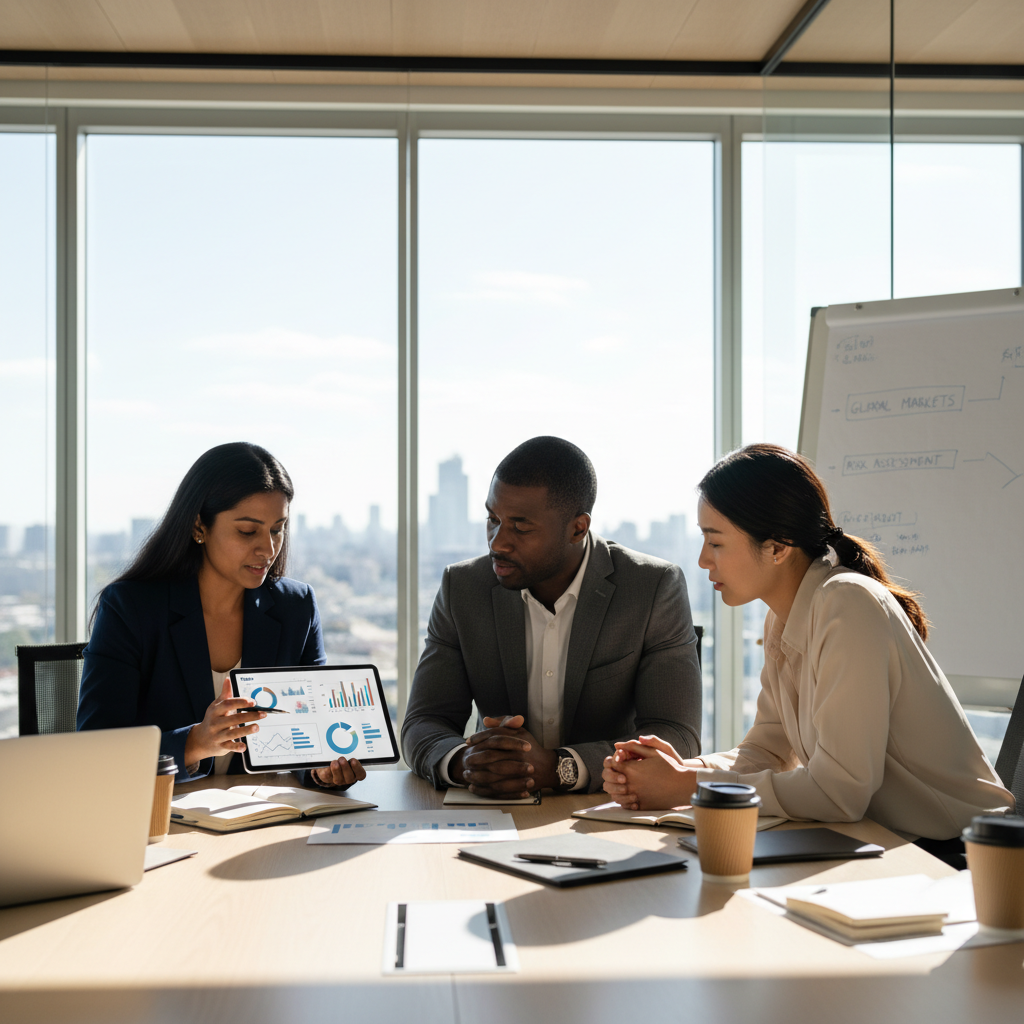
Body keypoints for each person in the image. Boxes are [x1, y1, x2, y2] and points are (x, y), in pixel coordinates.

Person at [602, 443, 1014, 862]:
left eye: (716, 542)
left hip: (962, 856)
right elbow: (767, 752)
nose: (703, 559)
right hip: (884, 842)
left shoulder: (848, 603)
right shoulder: (783, 618)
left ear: (778, 547)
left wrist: (684, 787)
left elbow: (841, 792)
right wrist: (687, 770)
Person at [402, 436, 703, 797]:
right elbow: (423, 721)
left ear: (578, 528)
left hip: (607, 812)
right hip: (494, 810)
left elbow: (677, 735)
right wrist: (465, 762)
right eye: (492, 519)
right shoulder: (463, 588)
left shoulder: (651, 588)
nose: (497, 542)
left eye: (520, 527)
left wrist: (561, 767)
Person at [78, 442, 365, 791]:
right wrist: (194, 742)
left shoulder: (296, 607)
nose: (268, 548)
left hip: (260, 819)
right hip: (158, 820)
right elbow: (95, 751)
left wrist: (323, 771)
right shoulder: (131, 608)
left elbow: (311, 740)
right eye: (248, 531)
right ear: (199, 525)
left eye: (277, 529)